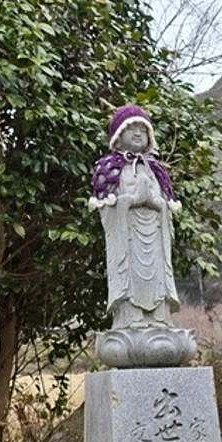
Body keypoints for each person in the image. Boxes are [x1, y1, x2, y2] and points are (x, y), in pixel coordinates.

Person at [89, 105, 181, 329]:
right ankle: (131, 317)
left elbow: (166, 207)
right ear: (118, 137)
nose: (138, 133)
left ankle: (160, 317)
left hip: (155, 238)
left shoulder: (155, 170)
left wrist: (156, 203)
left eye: (143, 129)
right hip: (127, 239)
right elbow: (107, 211)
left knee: (158, 275)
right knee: (130, 277)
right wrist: (130, 201)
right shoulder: (109, 169)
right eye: (131, 129)